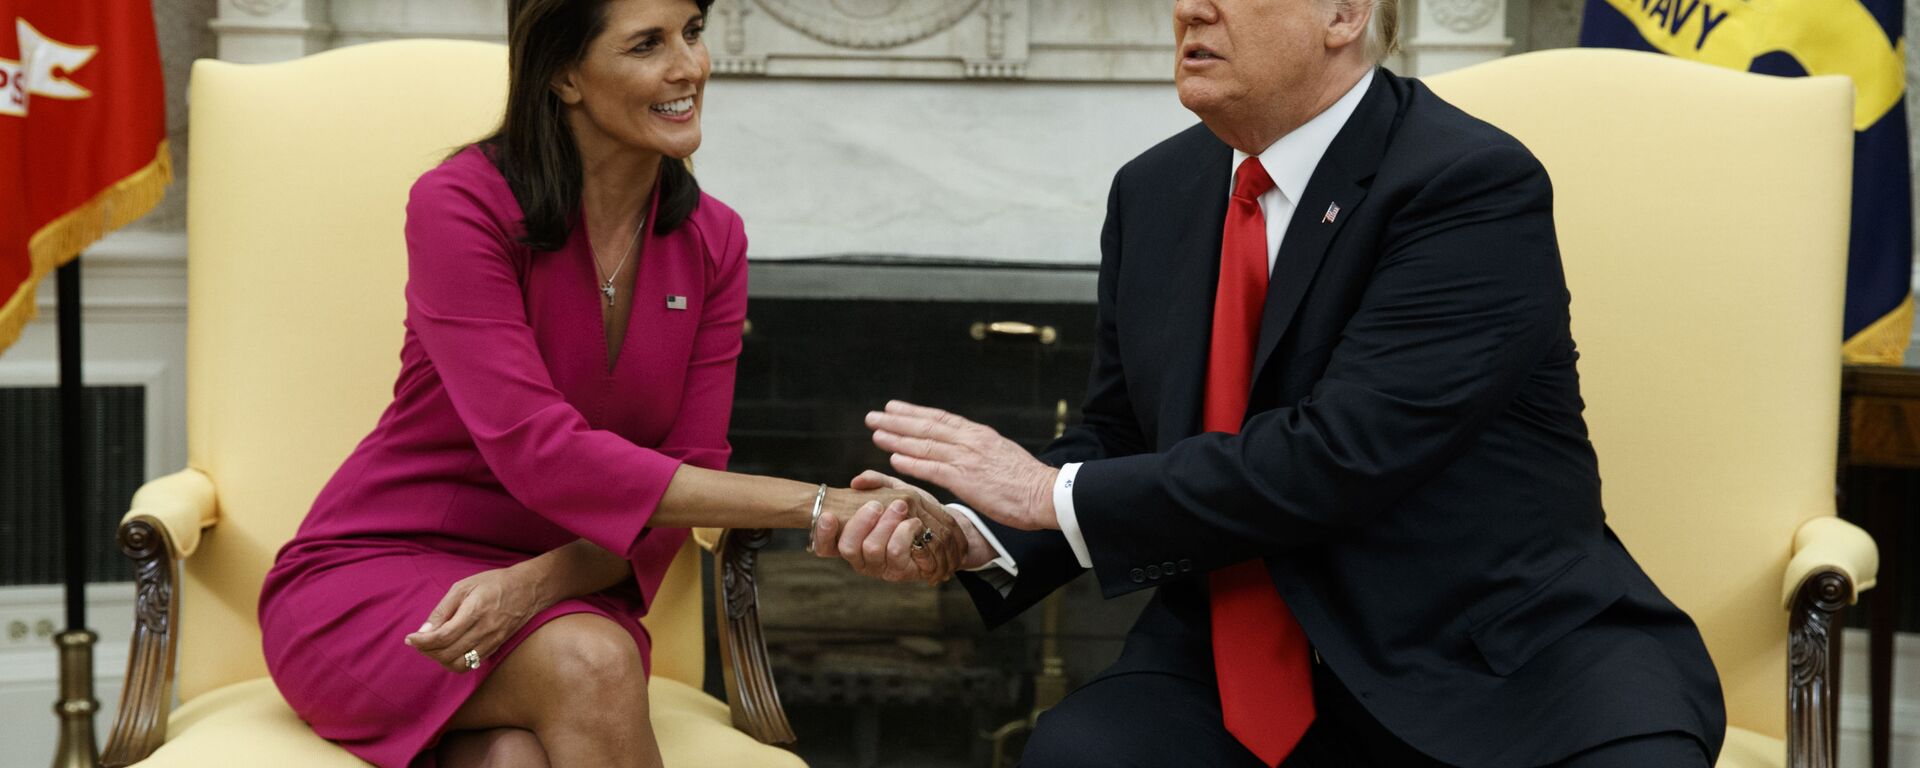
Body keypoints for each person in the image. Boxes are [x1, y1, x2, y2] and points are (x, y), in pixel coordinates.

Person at [817, 0, 1728, 765]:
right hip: (1230, 656)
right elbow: (1123, 434)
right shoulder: (1156, 190)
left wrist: (1046, 491)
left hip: (1489, 657)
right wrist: (981, 531)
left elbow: (1344, 454)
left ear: (1343, 13)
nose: (1190, 9)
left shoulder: (1466, 184)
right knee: (1076, 754)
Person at [256, 1, 963, 766]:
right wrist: (823, 504)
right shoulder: (462, 203)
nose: (688, 66)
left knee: (518, 755)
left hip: (568, 590)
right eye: (646, 45)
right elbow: (541, 453)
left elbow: (689, 472)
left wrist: (534, 584)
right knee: (590, 663)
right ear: (563, 74)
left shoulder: (713, 240)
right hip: (380, 579)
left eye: (692, 32)